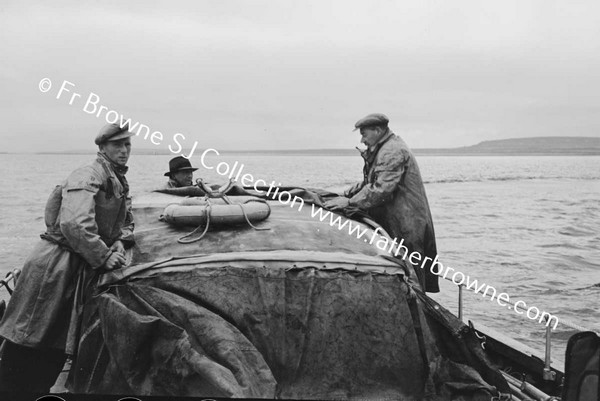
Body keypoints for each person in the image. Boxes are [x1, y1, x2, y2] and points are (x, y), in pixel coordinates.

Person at [0, 123, 136, 393]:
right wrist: (103, 255)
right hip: (55, 266)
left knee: (57, 340)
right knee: (30, 335)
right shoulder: (88, 175)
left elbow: (126, 220)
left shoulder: (116, 180)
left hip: (78, 265)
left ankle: (34, 390)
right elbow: (74, 224)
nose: (124, 151)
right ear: (102, 147)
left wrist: (120, 241)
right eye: (117, 145)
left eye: (127, 145)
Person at [324, 113, 439, 293]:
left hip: (407, 224)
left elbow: (381, 189)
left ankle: (418, 312)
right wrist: (346, 194)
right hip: (399, 221)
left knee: (412, 273)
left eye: (364, 134)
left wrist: (348, 202)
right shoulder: (384, 147)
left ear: (378, 130)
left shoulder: (392, 151)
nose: (362, 140)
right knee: (406, 269)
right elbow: (368, 182)